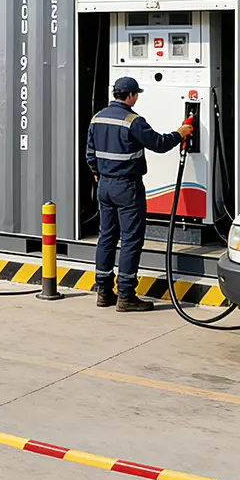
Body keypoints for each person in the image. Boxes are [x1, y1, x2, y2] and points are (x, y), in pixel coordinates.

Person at [86, 76, 194, 313]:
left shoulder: (98, 118)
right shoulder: (133, 121)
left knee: (106, 236)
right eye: (136, 94)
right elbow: (159, 143)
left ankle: (103, 291)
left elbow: (90, 153)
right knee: (131, 239)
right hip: (127, 187)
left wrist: (97, 173)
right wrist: (180, 133)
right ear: (131, 96)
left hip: (104, 185)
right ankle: (126, 296)